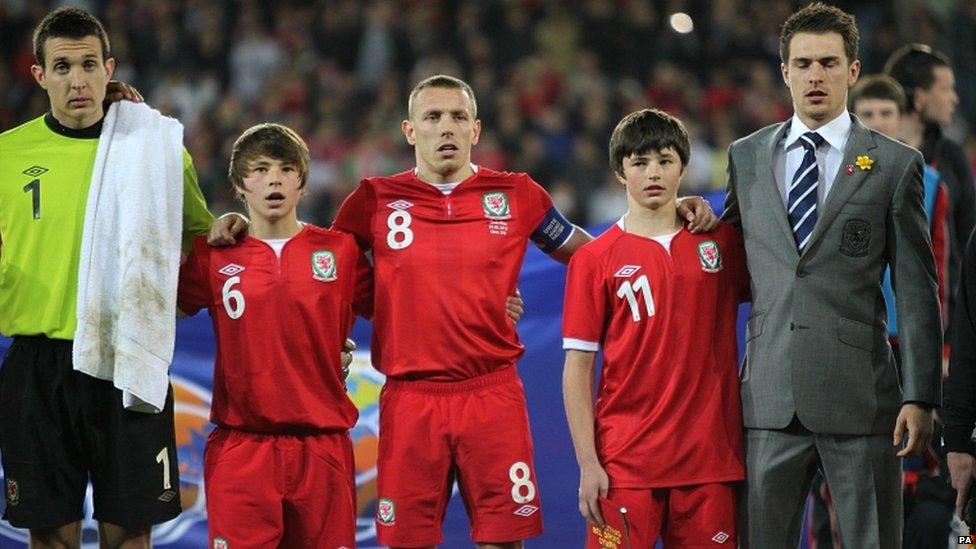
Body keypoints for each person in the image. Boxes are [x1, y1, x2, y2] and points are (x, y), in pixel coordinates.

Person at [721, 3, 942, 547]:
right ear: (785, 72)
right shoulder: (745, 156)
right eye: (803, 64)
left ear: (854, 70)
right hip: (769, 398)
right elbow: (725, 258)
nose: (815, 76)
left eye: (827, 62)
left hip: (863, 400)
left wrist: (921, 395)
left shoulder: (894, 164)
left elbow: (917, 291)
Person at [0, 6, 213, 549]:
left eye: (90, 64)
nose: (78, 80)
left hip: (128, 355)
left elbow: (204, 240)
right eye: (63, 66)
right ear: (39, 75)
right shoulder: (7, 154)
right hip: (38, 364)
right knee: (49, 535)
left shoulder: (154, 151)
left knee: (131, 533)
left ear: (110, 68)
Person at [177, 123, 371, 548]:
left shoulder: (340, 252)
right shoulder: (215, 255)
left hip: (321, 447)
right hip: (242, 447)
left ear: (302, 182)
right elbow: (160, 309)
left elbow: (403, 308)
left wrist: (493, 302)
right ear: (239, 186)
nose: (273, 179)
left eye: (286, 169)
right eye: (259, 169)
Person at [562, 108, 749, 548]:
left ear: (683, 167)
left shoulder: (721, 243)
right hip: (625, 465)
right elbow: (577, 369)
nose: (653, 173)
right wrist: (588, 464)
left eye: (665, 161)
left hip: (710, 463)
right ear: (618, 171)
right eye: (640, 162)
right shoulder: (594, 259)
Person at [885, 44, 974, 337]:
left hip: (939, 328)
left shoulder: (952, 159)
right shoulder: (868, 157)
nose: (954, 98)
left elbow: (967, 241)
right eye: (945, 88)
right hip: (877, 327)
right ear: (919, 98)